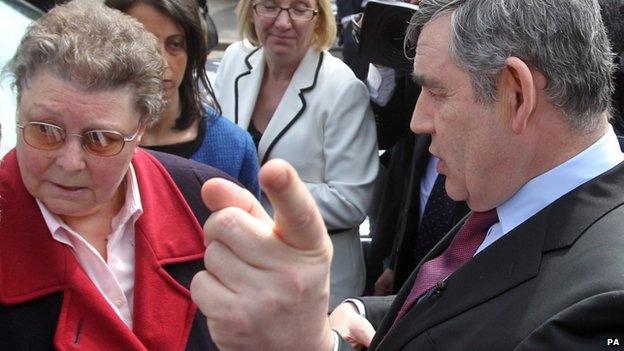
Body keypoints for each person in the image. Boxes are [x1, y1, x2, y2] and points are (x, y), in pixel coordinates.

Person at [191, 0, 624, 349]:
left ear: (516, 92)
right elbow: (459, 303)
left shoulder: (601, 307)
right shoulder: (509, 198)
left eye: (435, 91)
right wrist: (360, 313)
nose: (417, 121)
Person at [0, 1, 225, 349]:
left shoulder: (209, 205)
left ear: (141, 129)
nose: (70, 162)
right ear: (18, 106)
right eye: (45, 130)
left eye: (101, 139)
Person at [214, 0, 379, 308]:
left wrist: (257, 188)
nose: (283, 22)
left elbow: (351, 201)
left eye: (299, 8)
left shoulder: (342, 89)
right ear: (251, 11)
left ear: (318, 19)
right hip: (241, 270)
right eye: (270, 6)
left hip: (314, 284)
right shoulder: (235, 60)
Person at [106, 0, 260, 197]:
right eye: (144, 45)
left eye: (175, 45)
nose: (161, 62)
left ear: (192, 51)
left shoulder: (233, 147)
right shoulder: (89, 139)